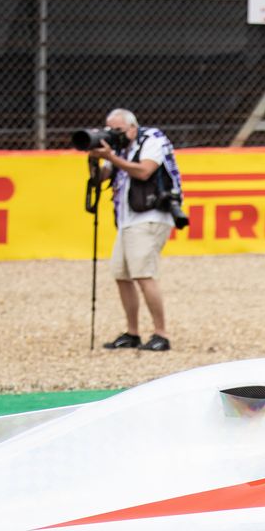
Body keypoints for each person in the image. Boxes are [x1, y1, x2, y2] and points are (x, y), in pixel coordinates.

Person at [91, 108, 179, 352]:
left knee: (143, 273)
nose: (113, 134)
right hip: (127, 219)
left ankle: (161, 334)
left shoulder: (152, 139)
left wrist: (112, 157)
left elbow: (144, 171)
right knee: (122, 274)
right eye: (109, 130)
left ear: (132, 127)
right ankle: (132, 333)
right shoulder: (117, 149)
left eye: (117, 130)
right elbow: (101, 178)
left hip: (150, 215)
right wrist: (95, 158)